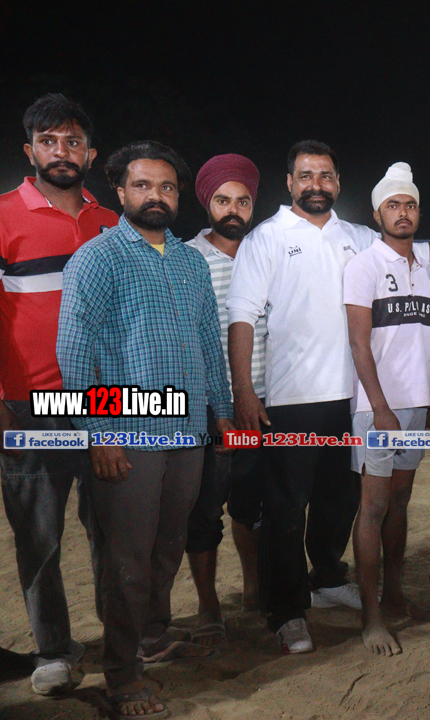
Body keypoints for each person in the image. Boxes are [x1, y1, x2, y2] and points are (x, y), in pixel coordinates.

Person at [228, 141, 430, 653]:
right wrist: (244, 390)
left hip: (353, 399)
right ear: (290, 182)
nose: (316, 184)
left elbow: (419, 250)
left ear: (338, 183)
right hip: (291, 398)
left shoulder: (359, 237)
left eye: (325, 175)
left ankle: (325, 578)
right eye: (306, 175)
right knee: (286, 508)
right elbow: (242, 317)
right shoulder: (266, 238)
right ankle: (286, 611)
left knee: (339, 501)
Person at [57, 140, 234, 719]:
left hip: (187, 432)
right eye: (142, 185)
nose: (156, 195)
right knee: (127, 559)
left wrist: (221, 409)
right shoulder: (97, 259)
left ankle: (152, 635)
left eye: (167, 187)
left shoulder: (189, 262)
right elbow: (75, 352)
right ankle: (122, 673)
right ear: (119, 190)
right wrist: (100, 432)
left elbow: (208, 341)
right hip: (129, 432)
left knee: (167, 546)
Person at [0, 93, 116, 697]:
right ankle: (53, 650)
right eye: (49, 141)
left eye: (73, 141)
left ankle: (122, 638)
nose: (61, 151)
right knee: (39, 537)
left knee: (111, 530)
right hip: (30, 405)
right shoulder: (2, 216)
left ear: (91, 154)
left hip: (107, 404)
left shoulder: (112, 222)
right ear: (30, 151)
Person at [344, 162, 430, 656]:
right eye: (393, 205)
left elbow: (424, 343)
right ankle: (371, 616)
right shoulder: (363, 266)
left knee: (400, 504)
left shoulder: (428, 270)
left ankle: (396, 593)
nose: (403, 213)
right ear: (377, 214)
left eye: (410, 205)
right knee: (374, 507)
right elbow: (359, 344)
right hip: (376, 410)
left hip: (416, 407)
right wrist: (380, 407)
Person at [183, 154, 266, 648]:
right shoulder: (186, 259)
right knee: (204, 511)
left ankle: (255, 587)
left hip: (264, 403)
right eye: (222, 200)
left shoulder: (266, 254)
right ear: (207, 203)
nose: (233, 209)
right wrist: (214, 409)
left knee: (251, 505)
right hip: (209, 411)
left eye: (243, 200)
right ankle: (208, 604)